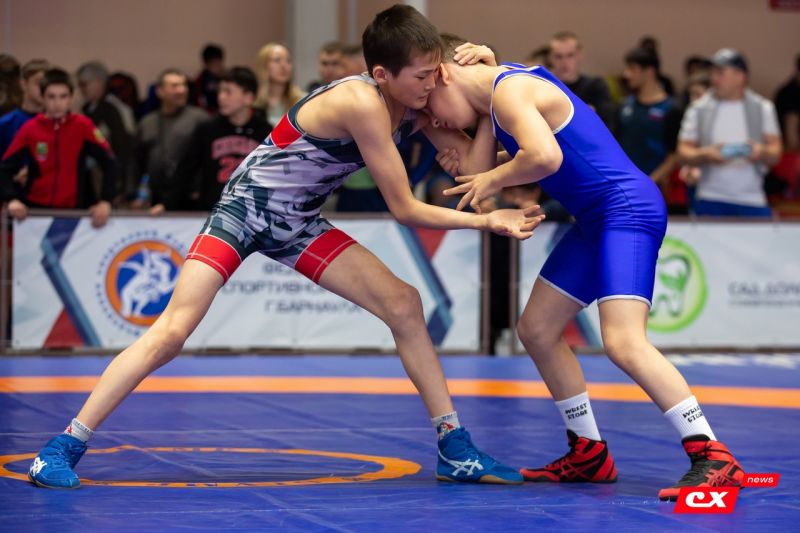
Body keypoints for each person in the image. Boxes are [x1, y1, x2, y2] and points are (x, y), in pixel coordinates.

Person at [25, 5, 543, 490]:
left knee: (404, 303)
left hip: (296, 222)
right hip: (244, 211)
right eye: (424, 76)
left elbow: (476, 177)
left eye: (436, 74)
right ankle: (62, 446)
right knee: (172, 332)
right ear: (383, 75)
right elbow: (406, 209)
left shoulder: (415, 103)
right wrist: (487, 221)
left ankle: (454, 448)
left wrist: (490, 97)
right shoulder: (361, 102)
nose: (433, 86)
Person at [427, 34, 744, 500]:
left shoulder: (507, 91)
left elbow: (544, 157)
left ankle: (713, 456)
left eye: (429, 102)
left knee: (623, 341)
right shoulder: (500, 95)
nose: (434, 119)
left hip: (626, 211)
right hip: (598, 219)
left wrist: (490, 172)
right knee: (537, 329)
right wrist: (485, 153)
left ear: (444, 73)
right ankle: (588, 452)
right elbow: (485, 177)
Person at [0, 68, 117, 228]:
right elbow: (4, 168)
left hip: (74, 213)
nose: (57, 103)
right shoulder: (30, 129)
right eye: (51, 97)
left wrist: (106, 201)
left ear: (71, 98)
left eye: (63, 96)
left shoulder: (83, 126)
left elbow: (110, 163)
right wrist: (12, 199)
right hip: (35, 214)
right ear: (43, 98)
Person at [677, 48, 782, 217]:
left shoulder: (762, 108)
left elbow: (776, 152)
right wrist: (706, 154)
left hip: (752, 198)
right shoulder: (699, 109)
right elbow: (683, 151)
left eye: (720, 73)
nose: (714, 79)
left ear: (740, 76)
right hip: (710, 197)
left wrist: (760, 151)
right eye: (713, 73)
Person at [172, 66, 272, 211]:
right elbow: (185, 170)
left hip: (252, 213)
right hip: (212, 212)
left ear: (248, 97)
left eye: (228, 92)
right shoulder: (207, 129)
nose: (220, 97)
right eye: (220, 91)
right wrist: (167, 204)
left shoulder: (266, 132)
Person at [137, 69, 208, 213]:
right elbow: (137, 162)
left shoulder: (200, 119)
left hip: (191, 199)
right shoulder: (147, 122)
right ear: (160, 91)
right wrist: (136, 194)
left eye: (184, 85)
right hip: (156, 199)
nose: (181, 90)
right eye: (175, 86)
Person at [253, 42, 305, 127]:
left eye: (288, 61)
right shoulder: (251, 101)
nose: (284, 66)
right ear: (263, 66)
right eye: (277, 60)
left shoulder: (303, 101)